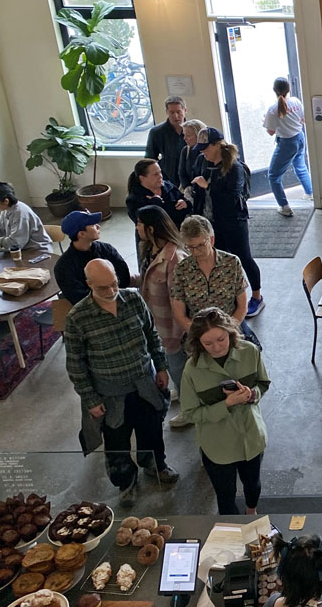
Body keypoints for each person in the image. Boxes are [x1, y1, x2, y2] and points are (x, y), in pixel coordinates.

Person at [64, 259, 178, 506]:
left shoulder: (134, 300)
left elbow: (151, 334)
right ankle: (126, 483)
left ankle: (156, 465)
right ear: (89, 284)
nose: (111, 291)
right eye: (103, 288)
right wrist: (91, 400)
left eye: (114, 283)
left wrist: (161, 367)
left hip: (144, 385)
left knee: (152, 431)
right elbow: (75, 365)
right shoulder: (78, 318)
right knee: (117, 444)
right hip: (110, 395)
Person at [179, 307, 269, 515]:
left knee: (253, 484)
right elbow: (191, 413)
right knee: (225, 495)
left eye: (221, 339)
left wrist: (252, 394)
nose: (217, 347)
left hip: (251, 437)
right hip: (218, 446)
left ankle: (251, 512)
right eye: (208, 343)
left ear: (230, 332)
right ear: (198, 343)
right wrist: (226, 404)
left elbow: (263, 383)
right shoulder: (192, 370)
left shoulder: (250, 352)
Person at [191, 128, 263, 316]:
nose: (202, 152)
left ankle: (257, 297)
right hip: (211, 222)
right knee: (219, 259)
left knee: (243, 257)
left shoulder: (234, 167)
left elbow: (233, 195)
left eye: (206, 148)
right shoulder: (202, 162)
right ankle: (228, 297)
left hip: (233, 221)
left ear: (217, 145)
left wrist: (208, 186)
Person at [135, 206, 190, 429]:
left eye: (139, 224)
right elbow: (146, 278)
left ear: (151, 228)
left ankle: (190, 408)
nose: (136, 228)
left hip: (171, 327)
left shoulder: (174, 258)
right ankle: (182, 391)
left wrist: (178, 332)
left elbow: (179, 301)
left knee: (178, 366)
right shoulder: (149, 249)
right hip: (154, 321)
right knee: (169, 363)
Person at [171, 215, 259, 346]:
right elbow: (179, 314)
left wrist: (225, 333)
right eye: (190, 247)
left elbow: (242, 306)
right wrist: (203, 336)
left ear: (211, 240)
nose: (195, 252)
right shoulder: (181, 269)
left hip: (231, 329)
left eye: (200, 245)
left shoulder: (231, 263)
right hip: (199, 335)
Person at [54, 210, 131, 306]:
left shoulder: (107, 249)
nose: (98, 226)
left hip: (118, 301)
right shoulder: (64, 266)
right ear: (81, 234)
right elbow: (77, 297)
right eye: (93, 225)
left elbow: (124, 277)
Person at [264, 76, 314, 217]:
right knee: (301, 166)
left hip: (286, 142)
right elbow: (303, 119)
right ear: (289, 89)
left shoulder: (273, 109)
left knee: (273, 176)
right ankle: (310, 193)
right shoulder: (296, 102)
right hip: (299, 137)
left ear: (274, 90)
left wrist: (265, 120)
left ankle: (284, 206)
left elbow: (270, 132)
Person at [125, 159, 188, 228]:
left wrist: (185, 204)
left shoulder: (169, 187)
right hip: (152, 237)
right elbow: (143, 223)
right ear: (142, 178)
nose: (160, 176)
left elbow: (185, 205)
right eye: (155, 174)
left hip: (175, 233)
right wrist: (155, 205)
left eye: (160, 172)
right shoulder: (134, 199)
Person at [144, 96, 188, 189]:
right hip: (168, 177)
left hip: (189, 175)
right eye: (172, 112)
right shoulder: (157, 132)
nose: (176, 116)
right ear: (167, 112)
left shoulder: (194, 130)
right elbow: (150, 158)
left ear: (185, 111)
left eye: (179, 112)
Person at [178, 119, 207, 190]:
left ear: (199, 135)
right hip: (191, 191)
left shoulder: (208, 151)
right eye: (184, 135)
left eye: (188, 135)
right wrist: (187, 187)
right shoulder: (186, 150)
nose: (184, 138)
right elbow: (182, 173)